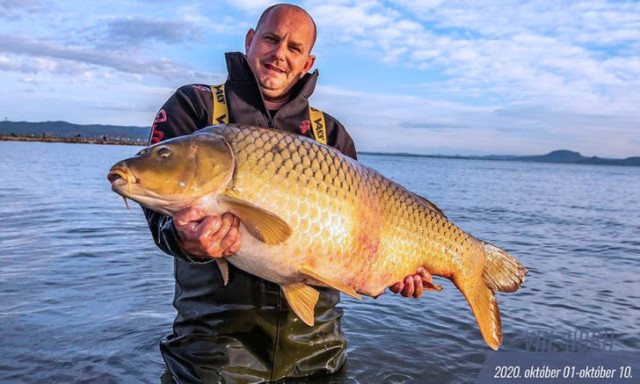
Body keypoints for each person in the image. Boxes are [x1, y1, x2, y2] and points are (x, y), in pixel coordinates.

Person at [145, 4, 435, 383]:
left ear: (307, 61)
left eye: (294, 48)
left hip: (317, 352)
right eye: (270, 38)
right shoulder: (195, 107)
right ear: (250, 41)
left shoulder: (331, 136)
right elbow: (159, 217)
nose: (279, 54)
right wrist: (186, 240)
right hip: (213, 352)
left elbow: (363, 237)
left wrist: (393, 267)